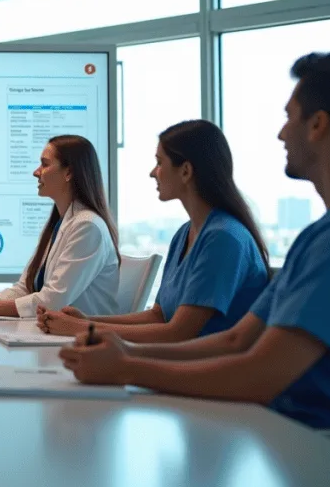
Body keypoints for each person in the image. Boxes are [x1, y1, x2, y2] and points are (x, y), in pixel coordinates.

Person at [60, 50, 330, 440]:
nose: (281, 133)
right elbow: (238, 339)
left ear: (318, 125)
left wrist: (125, 367)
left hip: (318, 446)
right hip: (276, 426)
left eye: (289, 117)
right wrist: (124, 352)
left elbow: (259, 373)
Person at [39, 120, 269, 343]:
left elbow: (178, 333)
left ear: (186, 171)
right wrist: (87, 321)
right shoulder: (185, 234)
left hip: (208, 372)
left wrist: (84, 329)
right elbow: (158, 316)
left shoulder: (223, 238)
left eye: (159, 163)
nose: (152, 172)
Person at [0, 135, 120, 318]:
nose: (36, 172)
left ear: (69, 172)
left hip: (76, 341)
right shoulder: (61, 223)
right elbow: (25, 288)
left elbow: (52, 301)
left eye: (45, 164)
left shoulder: (87, 227)